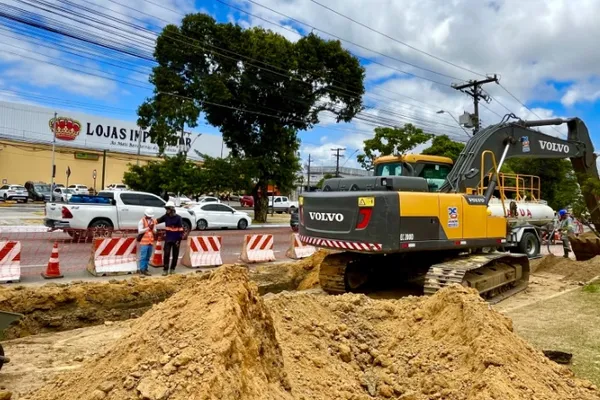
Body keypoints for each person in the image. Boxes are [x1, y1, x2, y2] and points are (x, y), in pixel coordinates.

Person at [157, 201, 184, 276]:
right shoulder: (165, 217)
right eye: (166, 209)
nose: (166, 210)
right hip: (168, 239)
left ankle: (172, 269)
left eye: (168, 209)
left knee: (175, 255)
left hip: (176, 240)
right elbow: (157, 221)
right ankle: (165, 269)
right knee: (166, 254)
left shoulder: (178, 218)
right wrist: (149, 222)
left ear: (172, 209)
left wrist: (179, 240)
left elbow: (181, 230)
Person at [137, 208, 157, 276]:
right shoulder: (142, 221)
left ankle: (145, 268)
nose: (150, 217)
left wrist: (153, 229)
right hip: (144, 242)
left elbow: (155, 230)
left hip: (150, 241)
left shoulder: (153, 221)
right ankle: (142, 270)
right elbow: (140, 231)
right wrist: (148, 228)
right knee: (143, 256)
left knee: (148, 256)